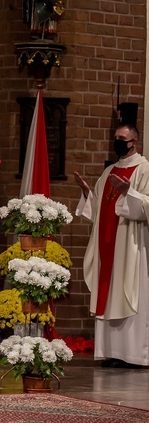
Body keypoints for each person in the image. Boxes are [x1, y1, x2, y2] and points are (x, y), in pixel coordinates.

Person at [74, 124, 149, 368]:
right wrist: (88, 194)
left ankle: (134, 355)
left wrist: (131, 193)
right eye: (115, 138)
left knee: (129, 291)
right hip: (107, 244)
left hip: (131, 245)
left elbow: (147, 205)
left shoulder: (145, 169)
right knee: (108, 291)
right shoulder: (108, 173)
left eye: (122, 138)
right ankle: (112, 352)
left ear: (134, 142)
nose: (118, 141)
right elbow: (99, 210)